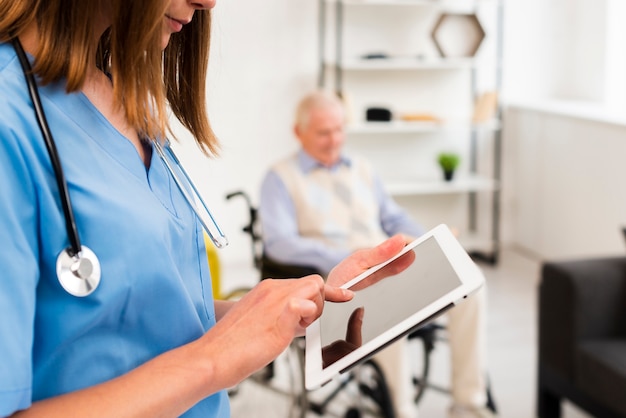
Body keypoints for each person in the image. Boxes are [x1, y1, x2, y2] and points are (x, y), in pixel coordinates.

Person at [0, 2, 411, 417]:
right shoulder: (10, 117)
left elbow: (149, 315)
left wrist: (296, 311)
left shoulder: (121, 101)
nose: (209, 2)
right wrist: (215, 361)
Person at [259, 90, 495, 418]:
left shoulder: (363, 168)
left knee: (472, 286)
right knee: (387, 309)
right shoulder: (280, 178)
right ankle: (402, 411)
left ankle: (469, 405)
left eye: (340, 129)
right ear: (299, 132)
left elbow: (393, 218)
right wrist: (343, 256)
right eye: (324, 132)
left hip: (386, 262)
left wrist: (426, 239)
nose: (335, 139)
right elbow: (279, 243)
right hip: (339, 276)